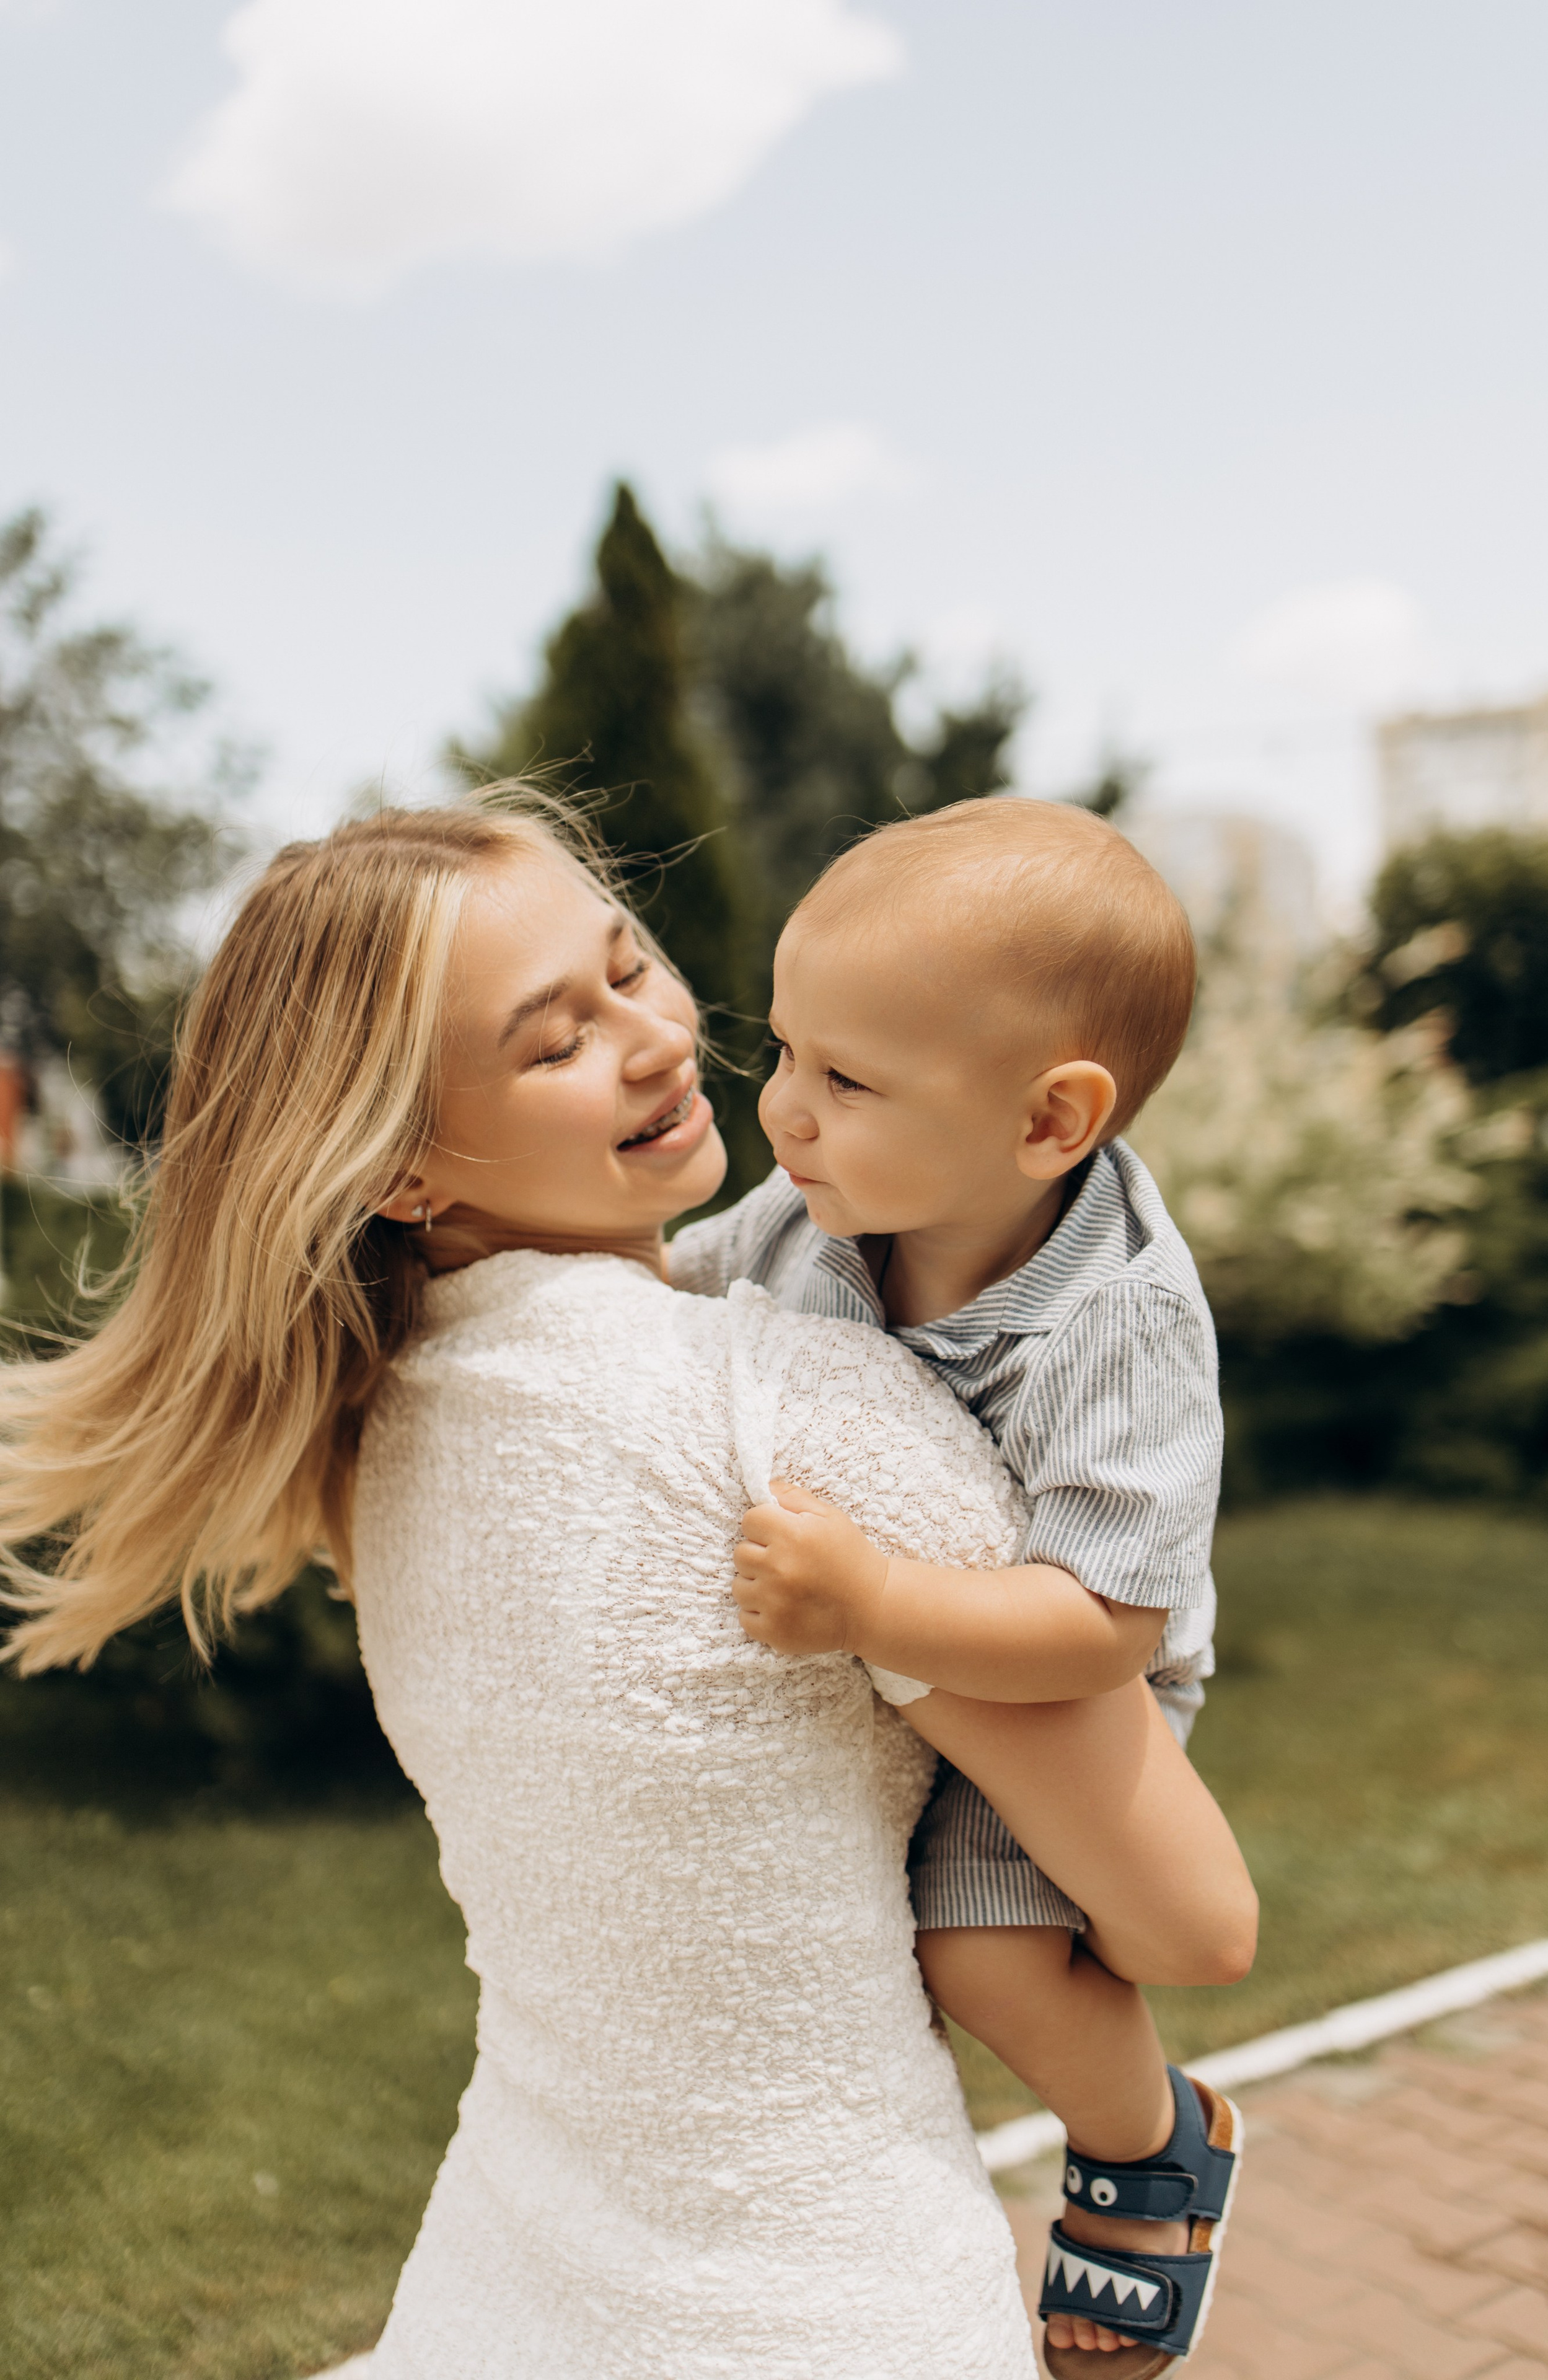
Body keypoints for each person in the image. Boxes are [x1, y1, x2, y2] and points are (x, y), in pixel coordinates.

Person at [0, 795, 1048, 2379]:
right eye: (552, 1041)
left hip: (516, 2277)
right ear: (401, 1168)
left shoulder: (390, 1434)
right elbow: (1192, 1917)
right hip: (830, 2303)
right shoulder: (791, 1411)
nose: (652, 1041)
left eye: (629, 967)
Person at [670, 797, 1259, 2378]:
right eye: (782, 1049)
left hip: (1069, 1676)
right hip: (906, 1664)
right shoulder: (810, 1212)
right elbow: (667, 1290)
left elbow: (1105, 1621)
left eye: (843, 1079)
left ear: (1049, 1123)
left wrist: (873, 1605)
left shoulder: (1114, 1320)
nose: (780, 1112)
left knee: (977, 1955)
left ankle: (1152, 2146)